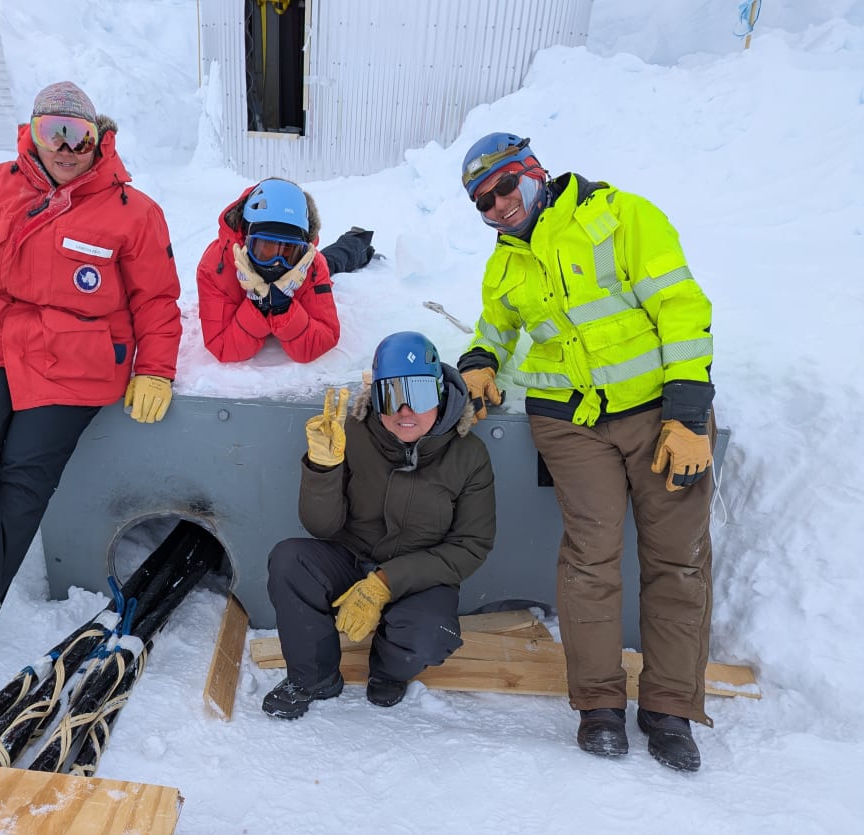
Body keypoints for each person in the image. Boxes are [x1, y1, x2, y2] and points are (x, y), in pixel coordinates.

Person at [0, 81, 183, 665]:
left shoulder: (133, 211)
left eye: (80, 135)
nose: (67, 147)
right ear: (33, 133)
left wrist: (156, 370)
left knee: (23, 468)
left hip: (77, 359)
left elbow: (156, 300)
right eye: (54, 133)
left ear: (100, 139)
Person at [456, 132, 716, 771]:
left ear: (534, 172)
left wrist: (687, 414)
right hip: (570, 425)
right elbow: (497, 322)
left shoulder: (623, 216)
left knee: (677, 561)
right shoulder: (506, 263)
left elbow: (682, 309)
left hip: (659, 416)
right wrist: (481, 358)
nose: (497, 206)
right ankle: (599, 705)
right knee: (590, 560)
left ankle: (670, 708)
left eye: (503, 187)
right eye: (481, 202)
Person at [263, 331, 496, 718]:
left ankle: (388, 669)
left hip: (419, 576)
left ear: (439, 392)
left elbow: (471, 545)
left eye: (419, 395)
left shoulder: (468, 455)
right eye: (392, 396)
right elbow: (321, 527)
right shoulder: (352, 433)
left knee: (431, 633)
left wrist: (386, 582)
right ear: (375, 397)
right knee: (289, 561)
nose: (405, 411)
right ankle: (312, 677)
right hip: (351, 557)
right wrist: (323, 468)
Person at [196, 178, 375, 363]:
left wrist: (283, 308)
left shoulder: (308, 264)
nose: (276, 263)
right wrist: (260, 305)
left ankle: (357, 240)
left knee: (332, 262)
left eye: (288, 251)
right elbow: (224, 347)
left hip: (304, 274)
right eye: (266, 249)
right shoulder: (216, 267)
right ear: (246, 238)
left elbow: (323, 339)